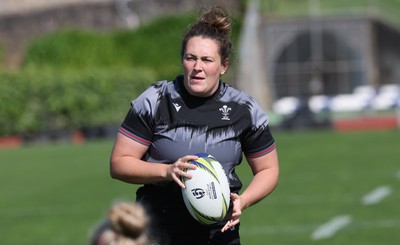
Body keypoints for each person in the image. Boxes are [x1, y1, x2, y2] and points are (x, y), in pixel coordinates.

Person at [110, 6, 279, 245]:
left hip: (219, 235)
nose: (197, 67)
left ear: (223, 66)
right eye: (191, 58)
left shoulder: (244, 109)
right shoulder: (156, 100)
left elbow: (268, 170)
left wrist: (245, 200)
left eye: (207, 60)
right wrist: (166, 171)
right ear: (183, 60)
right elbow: (119, 163)